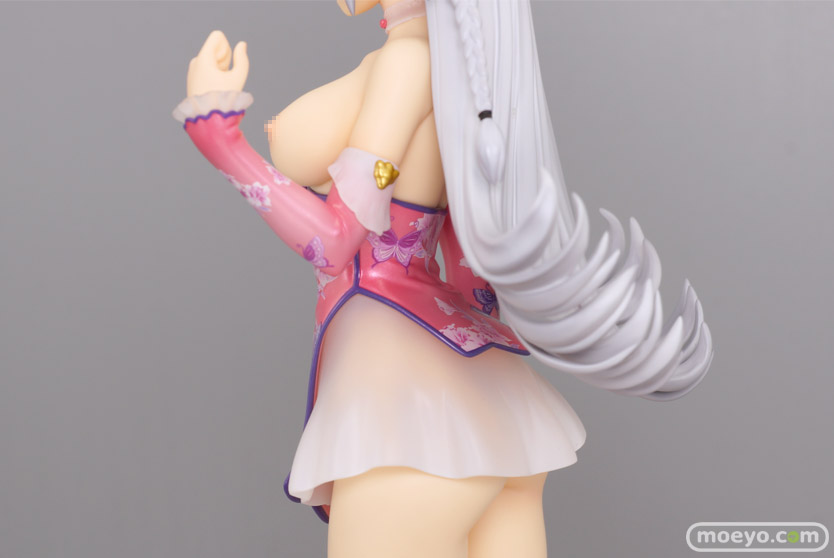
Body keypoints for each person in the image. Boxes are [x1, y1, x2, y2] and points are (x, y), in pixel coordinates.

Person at [172, 0, 714, 556]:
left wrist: (219, 137)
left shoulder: (408, 64)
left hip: (407, 412)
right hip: (485, 405)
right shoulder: (463, 76)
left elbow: (334, 241)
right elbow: (468, 256)